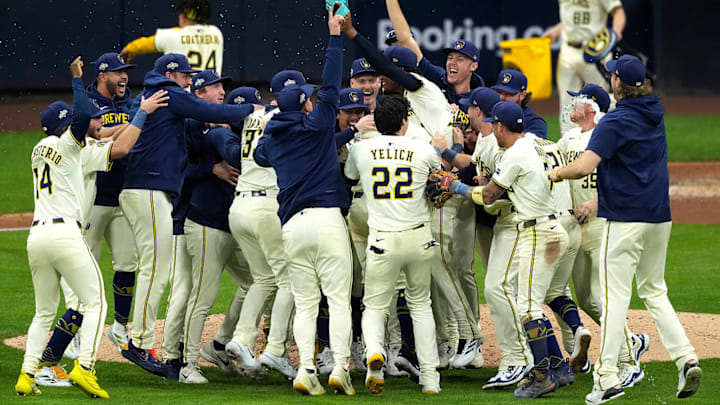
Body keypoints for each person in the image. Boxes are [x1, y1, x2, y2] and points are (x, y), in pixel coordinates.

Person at [550, 55, 702, 404]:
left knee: (614, 298)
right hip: (659, 218)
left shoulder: (615, 121)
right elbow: (625, 87)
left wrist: (554, 173)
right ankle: (686, 357)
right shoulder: (655, 111)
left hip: (624, 221)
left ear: (617, 83)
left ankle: (606, 377)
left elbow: (584, 165)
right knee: (654, 290)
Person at [341, 9, 484, 370]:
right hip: (431, 190)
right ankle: (445, 342)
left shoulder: (421, 88)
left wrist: (353, 33)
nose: (383, 79)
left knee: (447, 269)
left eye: (389, 73)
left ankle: (470, 337)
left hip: (443, 191)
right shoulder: (413, 101)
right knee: (434, 273)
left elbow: (387, 62)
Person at [119, 53, 254, 378]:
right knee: (161, 275)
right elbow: (209, 112)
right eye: (186, 76)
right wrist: (254, 111)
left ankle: (157, 349)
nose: (189, 81)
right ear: (172, 74)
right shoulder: (170, 94)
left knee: (169, 279)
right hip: (159, 195)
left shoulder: (154, 95)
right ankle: (141, 343)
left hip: (156, 194)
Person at [253, 8, 355, 396]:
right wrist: (333, 36)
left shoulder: (274, 138)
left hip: (292, 227)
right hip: (328, 221)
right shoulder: (317, 124)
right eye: (310, 100)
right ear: (306, 105)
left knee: (306, 302)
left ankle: (306, 369)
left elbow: (261, 156)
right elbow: (331, 85)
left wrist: (274, 121)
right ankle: (340, 368)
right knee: (339, 301)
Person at [443, 101, 570, 398]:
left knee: (525, 305)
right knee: (530, 304)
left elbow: (488, 195)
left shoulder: (515, 154)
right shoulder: (540, 144)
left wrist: (455, 187)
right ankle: (557, 367)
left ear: (499, 126)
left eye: (493, 125)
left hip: (537, 232)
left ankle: (540, 375)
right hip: (553, 226)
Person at [16, 57, 109, 399]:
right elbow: (83, 117)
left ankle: (27, 375)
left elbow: (81, 118)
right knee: (96, 301)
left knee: (44, 312)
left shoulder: (37, 149)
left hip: (36, 236)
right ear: (64, 125)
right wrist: (76, 80)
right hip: (65, 234)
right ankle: (85, 367)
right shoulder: (68, 146)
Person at [345, 94, 442, 394]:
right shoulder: (423, 150)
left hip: (382, 239)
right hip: (418, 237)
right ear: (405, 122)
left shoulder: (361, 149)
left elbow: (350, 178)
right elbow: (436, 176)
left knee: (374, 305)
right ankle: (430, 379)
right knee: (421, 306)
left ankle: (375, 351)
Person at [222, 86, 297, 380]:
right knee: (288, 280)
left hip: (239, 206)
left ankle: (241, 338)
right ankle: (276, 349)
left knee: (263, 278)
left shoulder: (255, 118)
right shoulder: (283, 116)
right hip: (267, 206)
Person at [84, 52, 141, 351]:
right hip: (93, 197)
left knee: (127, 264)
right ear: (103, 74)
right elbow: (94, 136)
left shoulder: (131, 103)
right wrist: (132, 125)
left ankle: (119, 325)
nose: (124, 77)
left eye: (126, 72)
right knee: (83, 265)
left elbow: (113, 136)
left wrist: (127, 124)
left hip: (122, 195)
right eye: (118, 72)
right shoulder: (87, 103)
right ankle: (78, 331)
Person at [542, 0, 626, 134]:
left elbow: (618, 11)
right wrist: (555, 31)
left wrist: (615, 34)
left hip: (595, 50)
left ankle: (604, 140)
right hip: (568, 50)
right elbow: (572, 19)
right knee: (567, 101)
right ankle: (568, 143)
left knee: (600, 100)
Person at [384, 0, 485, 104]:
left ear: (473, 66)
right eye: (450, 57)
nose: (452, 62)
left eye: (460, 59)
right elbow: (406, 40)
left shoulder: (481, 98)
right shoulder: (437, 78)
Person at [120, 0, 224, 73]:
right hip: (210, 97)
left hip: (182, 97)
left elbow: (141, 45)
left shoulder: (172, 35)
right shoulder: (216, 33)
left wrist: (127, 50)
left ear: (183, 16)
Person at [491, 69, 547, 139]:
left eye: (508, 94)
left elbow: (534, 148)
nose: (501, 97)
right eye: (499, 92)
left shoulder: (534, 122)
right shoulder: (489, 114)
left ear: (522, 95)